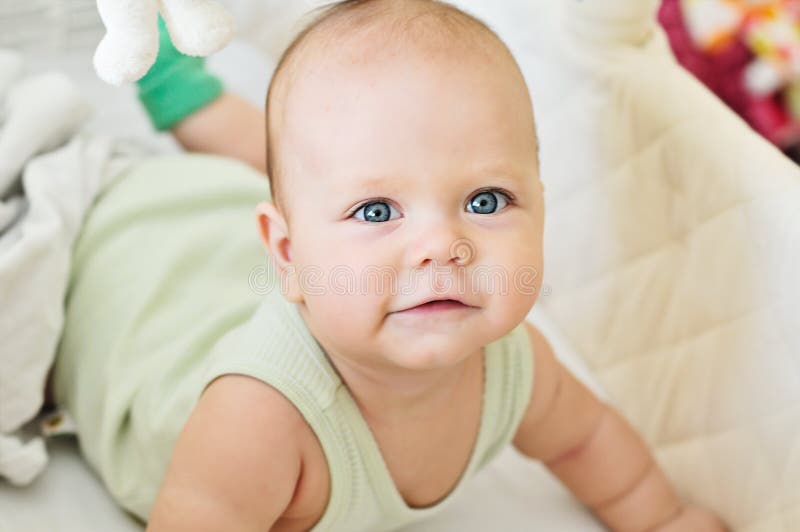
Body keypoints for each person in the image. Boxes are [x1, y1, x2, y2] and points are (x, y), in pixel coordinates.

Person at [50, 1, 728, 530]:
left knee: (301, 178)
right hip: (120, 254)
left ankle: (193, 104)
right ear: (284, 256)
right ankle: (177, 92)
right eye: (379, 212)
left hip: (229, 245)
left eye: (485, 200)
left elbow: (586, 442)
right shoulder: (257, 418)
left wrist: (662, 518)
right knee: (278, 177)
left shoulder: (516, 363)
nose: (441, 246)